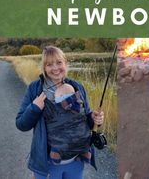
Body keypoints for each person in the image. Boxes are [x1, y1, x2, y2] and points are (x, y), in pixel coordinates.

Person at [16, 45, 104, 179]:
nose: (55, 68)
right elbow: (21, 124)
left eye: (59, 62)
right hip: (47, 164)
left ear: (65, 63)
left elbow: (84, 120)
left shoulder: (77, 86)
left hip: (76, 161)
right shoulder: (35, 89)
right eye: (49, 64)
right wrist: (34, 108)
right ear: (44, 68)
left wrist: (93, 118)